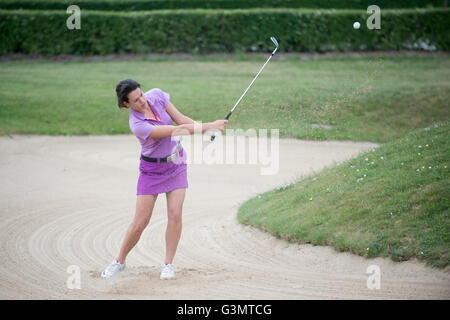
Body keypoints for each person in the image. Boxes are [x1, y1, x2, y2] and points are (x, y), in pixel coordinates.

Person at [101, 79, 227, 279]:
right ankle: (120, 261)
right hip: (151, 170)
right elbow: (175, 131)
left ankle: (168, 265)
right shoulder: (137, 125)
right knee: (140, 222)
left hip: (176, 164)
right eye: (136, 100)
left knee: (175, 214)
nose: (143, 100)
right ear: (126, 104)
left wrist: (207, 127)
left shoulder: (157, 95)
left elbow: (182, 120)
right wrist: (210, 126)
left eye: (141, 94)